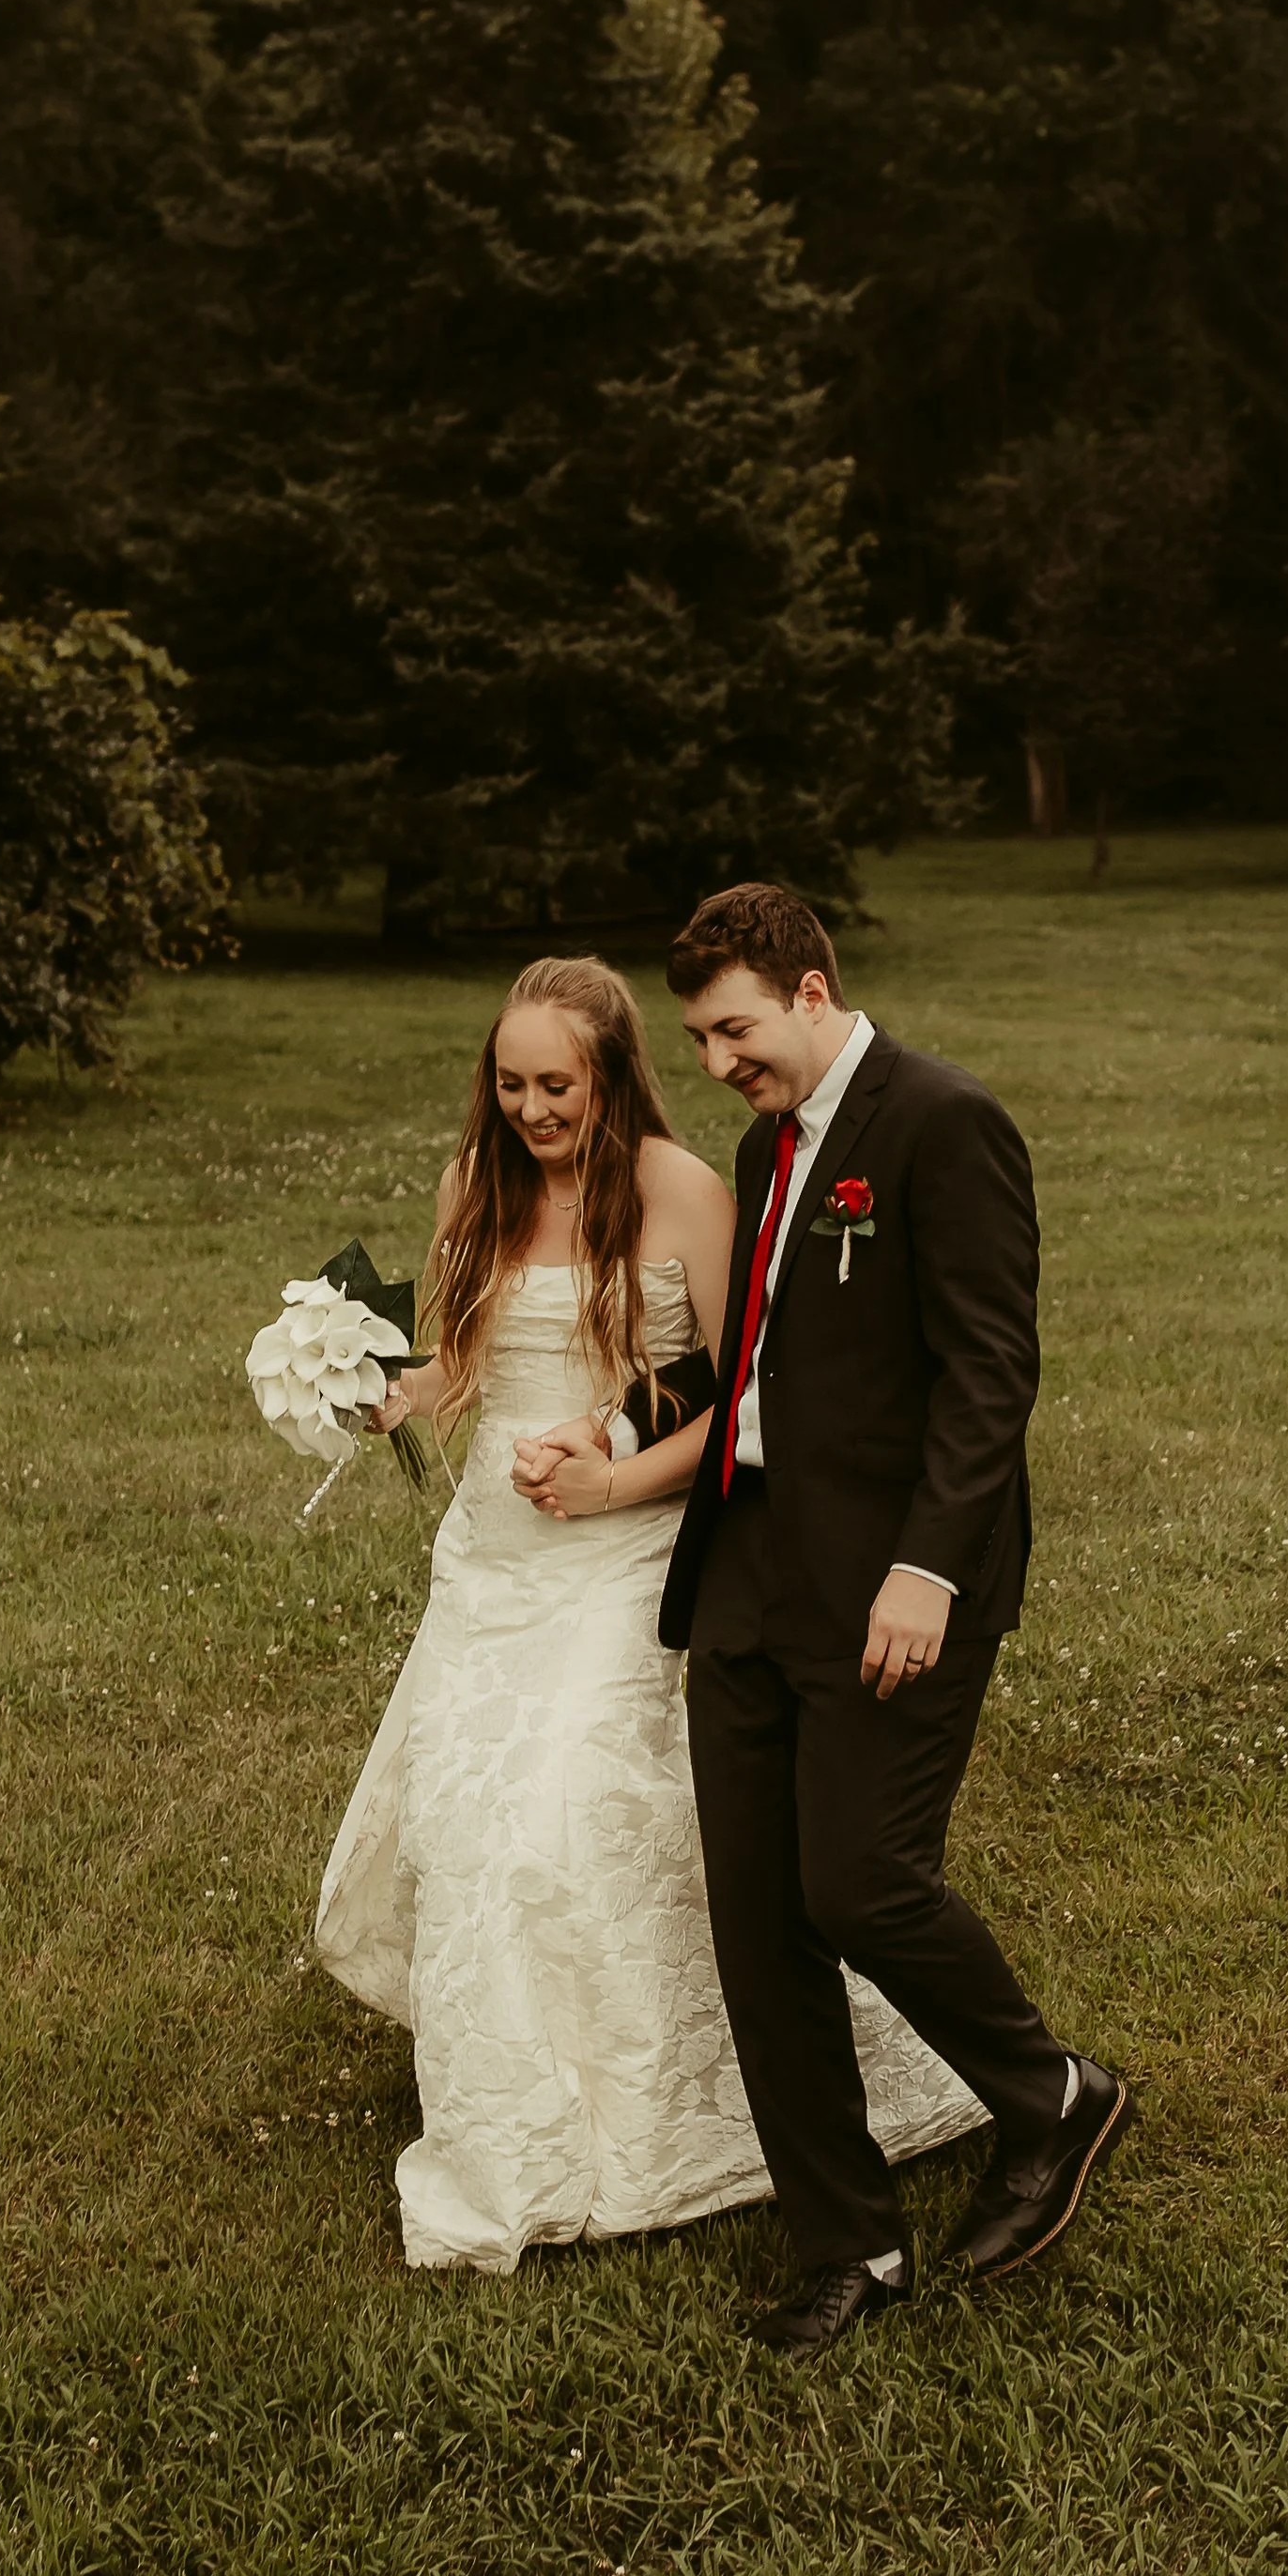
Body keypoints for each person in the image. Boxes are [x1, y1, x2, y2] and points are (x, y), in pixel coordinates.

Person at [520, 886, 1132, 2352]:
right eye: (700, 1036)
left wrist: (926, 1566)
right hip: (749, 1575)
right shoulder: (764, 1145)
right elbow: (752, 1367)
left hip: (893, 1586)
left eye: (733, 1028)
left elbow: (992, 1370)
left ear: (811, 991)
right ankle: (850, 2243)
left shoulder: (944, 1121)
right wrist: (609, 1441)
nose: (719, 1059)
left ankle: (1053, 2095)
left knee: (857, 1882)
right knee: (756, 1923)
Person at [312, 953, 981, 2274]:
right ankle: (525, 2099)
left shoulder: (685, 1191)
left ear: (613, 1073)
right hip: (493, 1557)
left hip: (630, 1547)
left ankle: (677, 2096)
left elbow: (744, 1399)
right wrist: (373, 1392)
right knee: (472, 1826)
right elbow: (467, 1361)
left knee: (568, 1815)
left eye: (555, 1082)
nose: (530, 1108)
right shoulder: (476, 1186)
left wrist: (613, 1473)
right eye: (507, 1083)